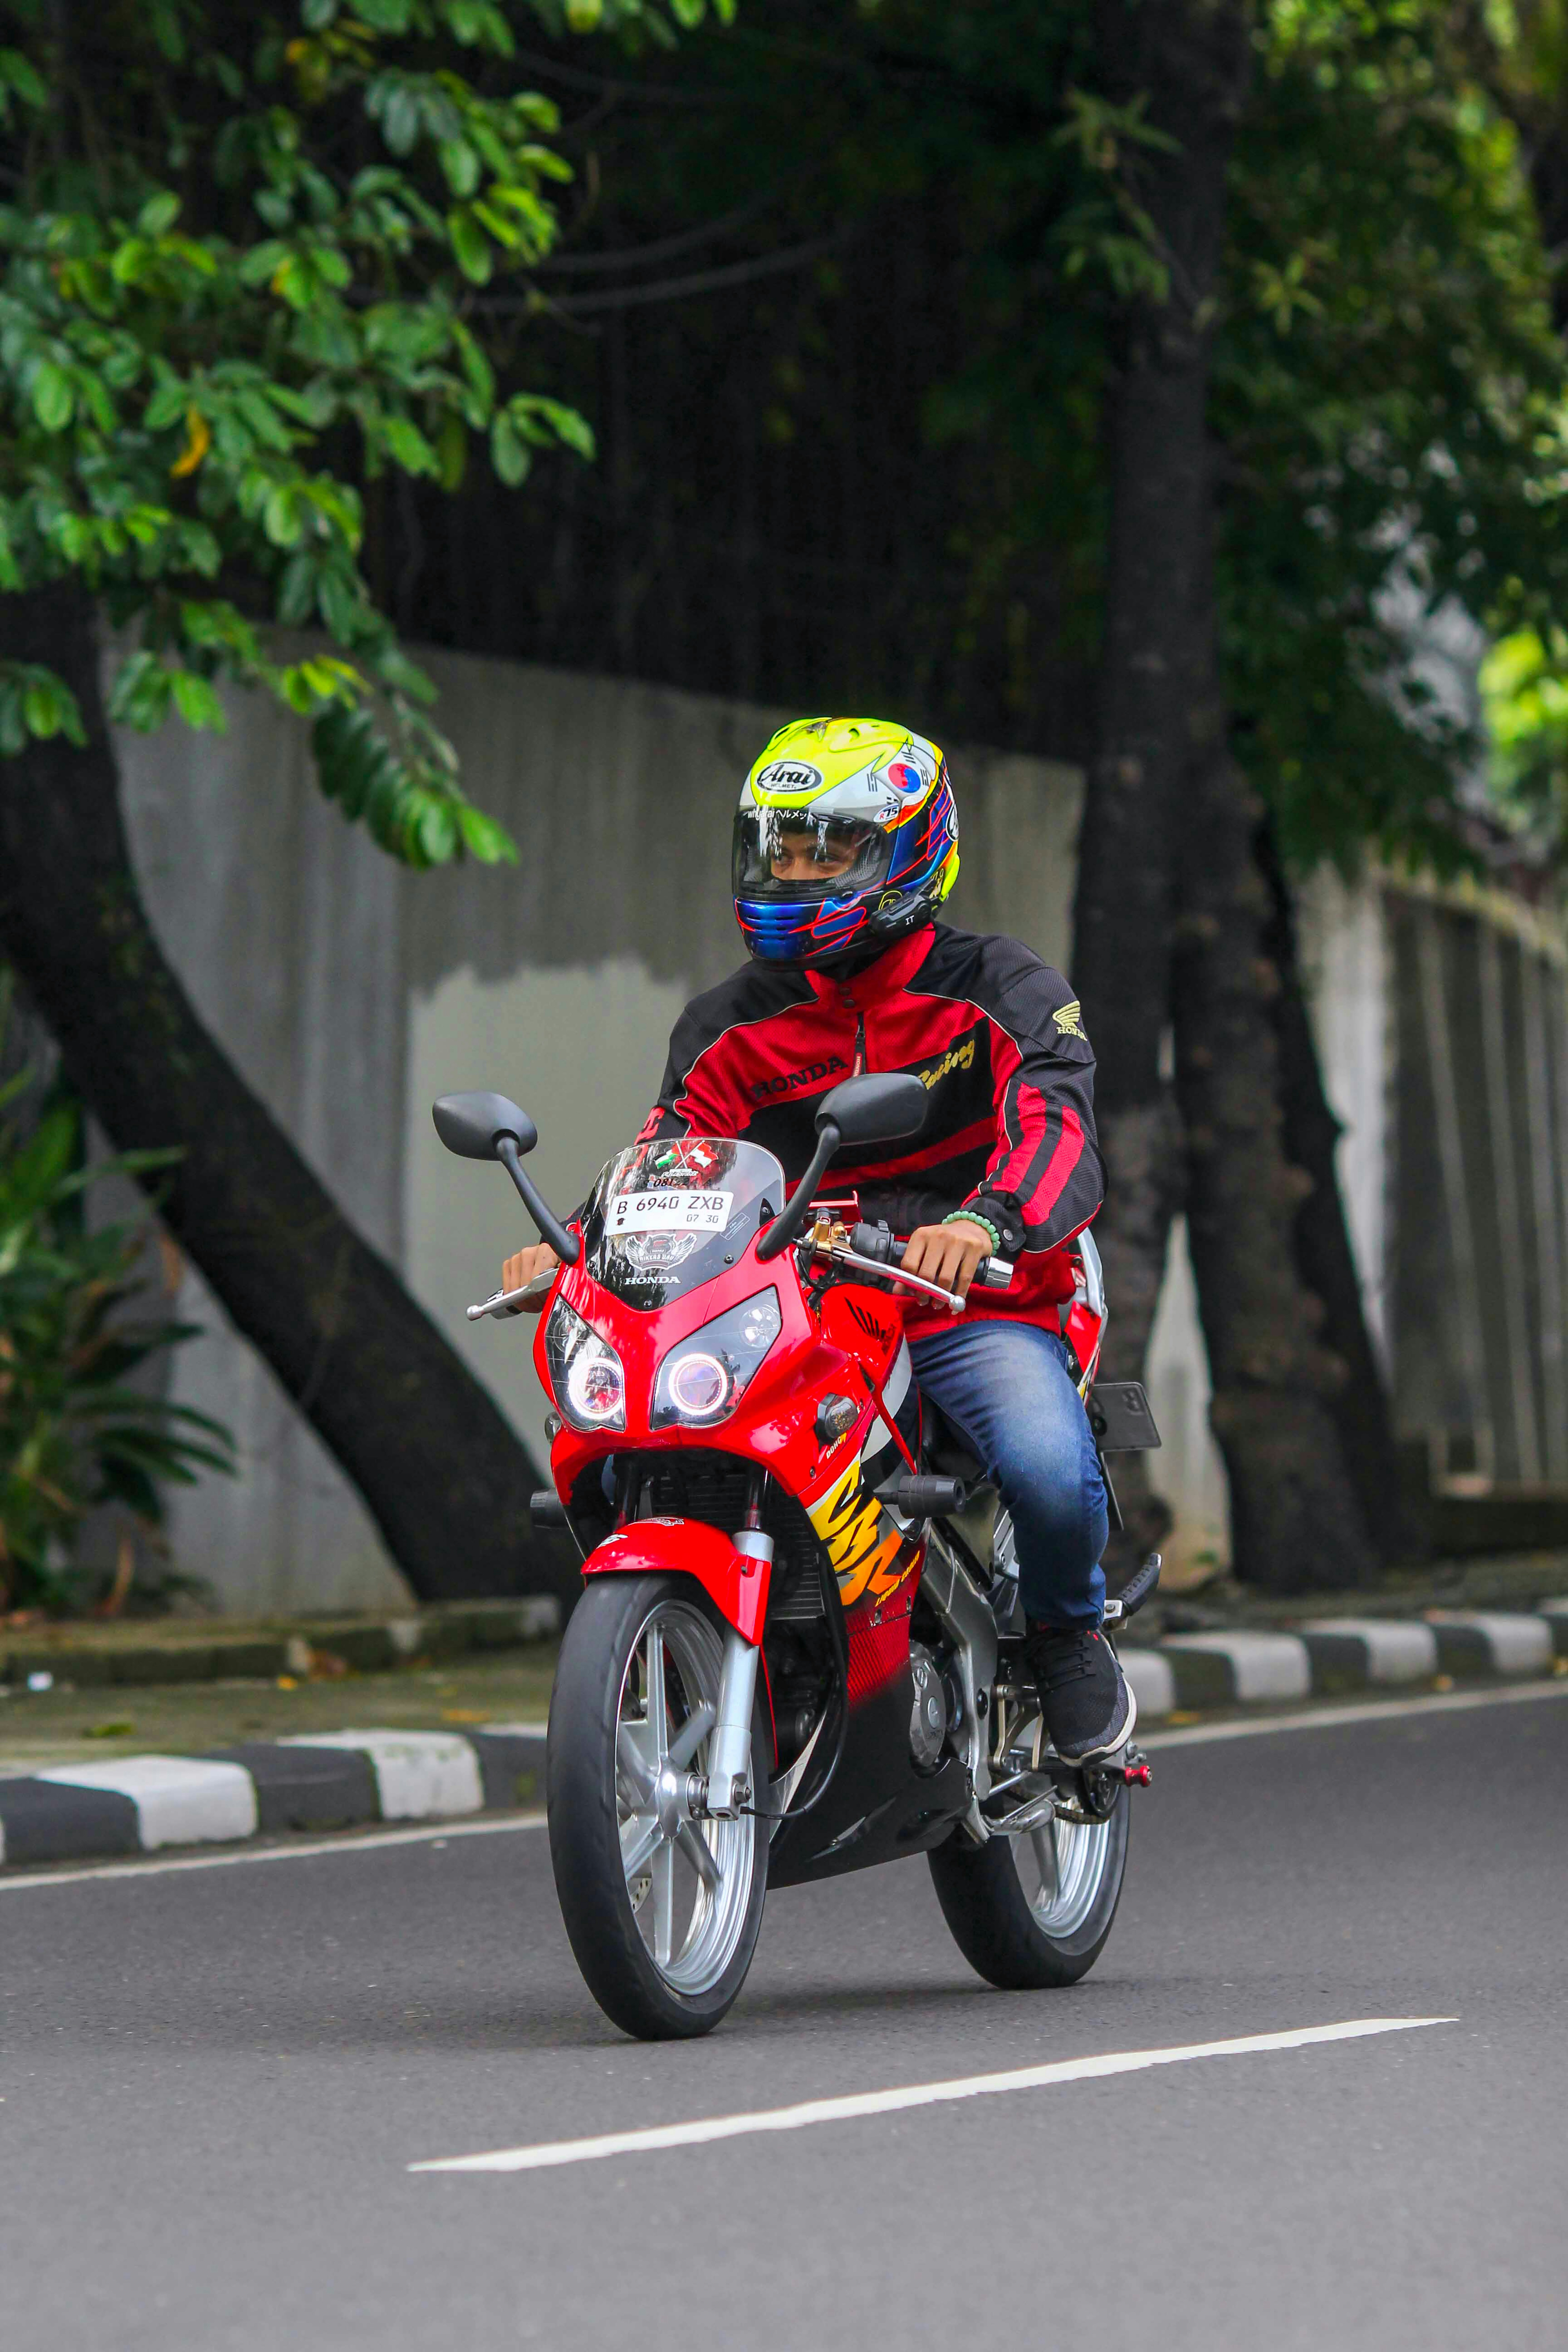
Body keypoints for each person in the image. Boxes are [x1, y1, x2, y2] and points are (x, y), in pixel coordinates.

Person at [503, 715, 1133, 1763]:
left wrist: (987, 1220)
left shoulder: (1003, 990)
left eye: (830, 849)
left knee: (1044, 1462)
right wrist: (576, 1239)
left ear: (911, 850)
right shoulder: (729, 1020)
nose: (796, 871)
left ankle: (1067, 1638)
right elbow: (671, 1153)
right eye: (780, 848)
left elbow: (1058, 1128)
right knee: (645, 1430)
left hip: (974, 1301)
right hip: (804, 1305)